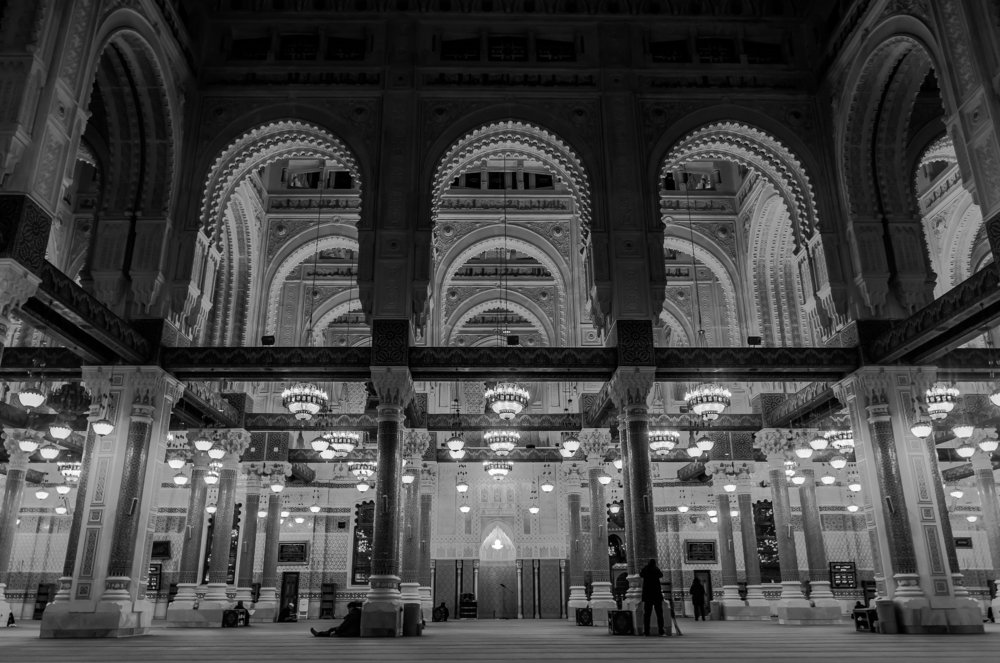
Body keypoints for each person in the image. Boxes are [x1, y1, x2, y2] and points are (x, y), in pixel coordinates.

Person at [639, 558, 665, 636]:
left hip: (648, 596)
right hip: (656, 595)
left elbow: (641, 574)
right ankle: (661, 631)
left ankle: (647, 631)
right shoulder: (656, 569)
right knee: (659, 614)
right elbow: (661, 575)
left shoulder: (645, 569)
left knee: (647, 614)